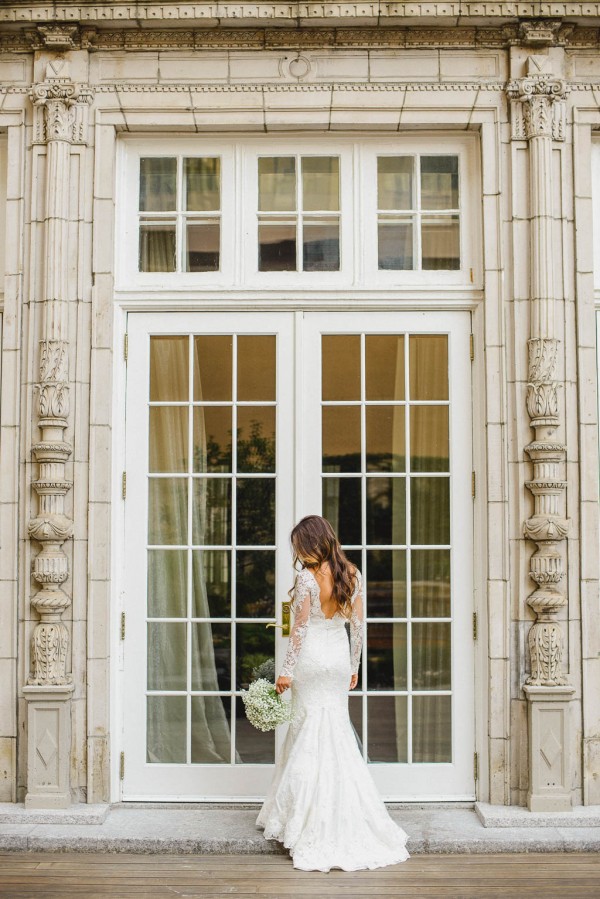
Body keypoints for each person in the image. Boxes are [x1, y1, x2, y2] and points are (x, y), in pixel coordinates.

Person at [256, 515, 410, 872]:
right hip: (338, 659)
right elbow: (358, 626)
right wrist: (354, 665)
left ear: (312, 542)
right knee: (336, 731)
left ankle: (302, 815)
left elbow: (299, 629)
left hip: (311, 659)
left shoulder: (307, 576)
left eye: (299, 544)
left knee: (306, 730)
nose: (297, 551)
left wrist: (286, 670)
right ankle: (346, 810)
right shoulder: (352, 573)